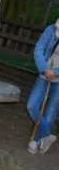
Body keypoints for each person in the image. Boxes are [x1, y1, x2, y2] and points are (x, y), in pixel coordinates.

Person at [26, 19, 59, 154]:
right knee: (31, 105)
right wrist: (45, 68)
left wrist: (56, 72)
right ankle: (47, 135)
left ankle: (36, 140)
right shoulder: (51, 29)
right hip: (44, 72)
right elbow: (39, 48)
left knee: (51, 110)